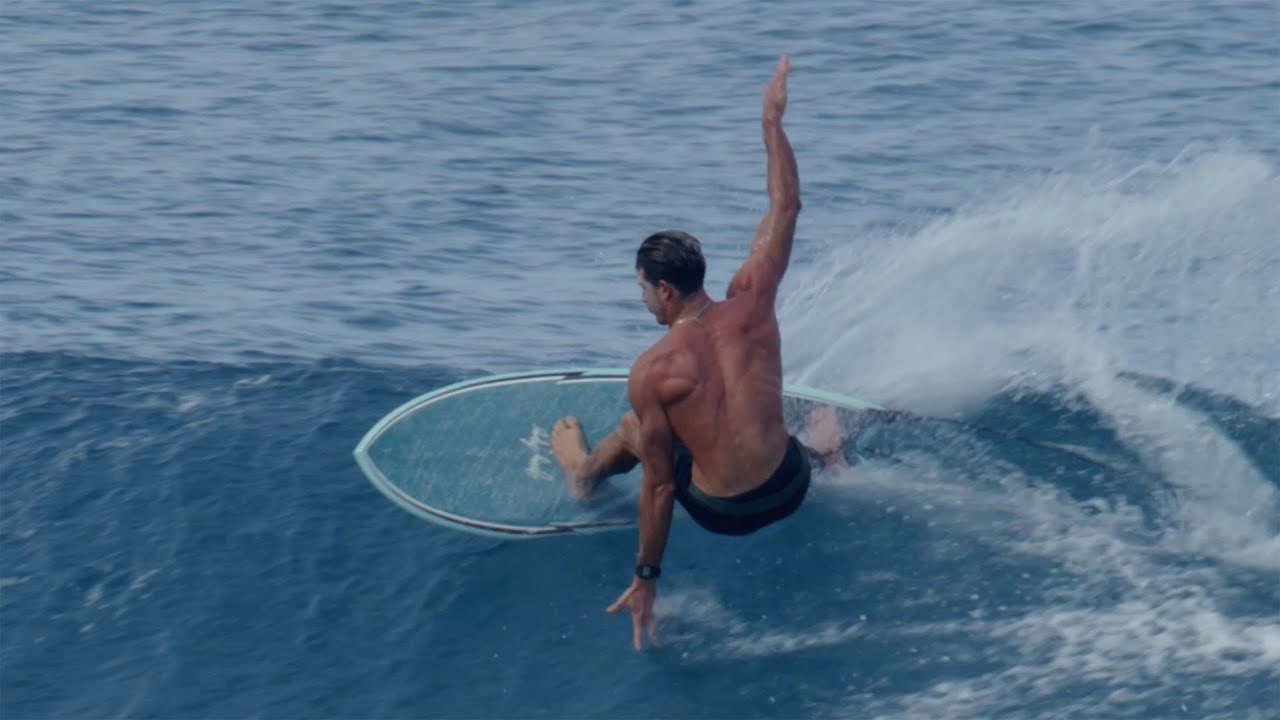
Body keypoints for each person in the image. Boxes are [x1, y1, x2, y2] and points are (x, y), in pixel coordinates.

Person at [550, 55, 807, 651]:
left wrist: (645, 579)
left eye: (641, 287)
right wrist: (771, 122)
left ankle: (582, 476)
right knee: (768, 406)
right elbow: (786, 206)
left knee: (631, 427)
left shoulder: (655, 371)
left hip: (730, 514)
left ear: (663, 290)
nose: (641, 296)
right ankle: (827, 451)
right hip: (792, 484)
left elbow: (661, 488)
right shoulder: (754, 299)